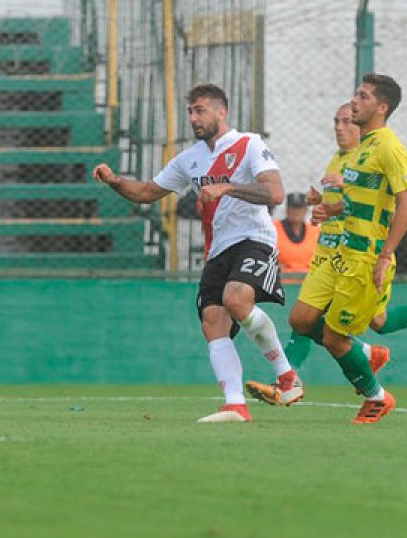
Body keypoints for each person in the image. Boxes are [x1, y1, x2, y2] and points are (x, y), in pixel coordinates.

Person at [247, 101, 407, 411]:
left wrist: (349, 212)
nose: (339, 127)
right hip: (333, 255)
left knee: (320, 325)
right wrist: (321, 205)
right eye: (335, 121)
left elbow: (384, 206)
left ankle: (297, 381)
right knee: (357, 320)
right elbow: (343, 208)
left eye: (346, 121)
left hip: (361, 257)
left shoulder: (376, 159)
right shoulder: (338, 160)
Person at [93, 83, 296, 423]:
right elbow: (146, 192)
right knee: (213, 321)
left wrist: (227, 186)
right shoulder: (190, 159)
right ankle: (235, 405)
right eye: (190, 111)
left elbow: (275, 193)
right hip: (218, 250)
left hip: (254, 239)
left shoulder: (249, 144)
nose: (193, 118)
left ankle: (287, 375)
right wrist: (114, 180)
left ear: (221, 111)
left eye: (200, 110)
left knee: (236, 299)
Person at [273, 192, 319, 274]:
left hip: (308, 281)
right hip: (282, 281)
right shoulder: (274, 229)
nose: (296, 211)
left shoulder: (315, 232)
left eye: (299, 208)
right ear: (287, 210)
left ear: (306, 210)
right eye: (292, 208)